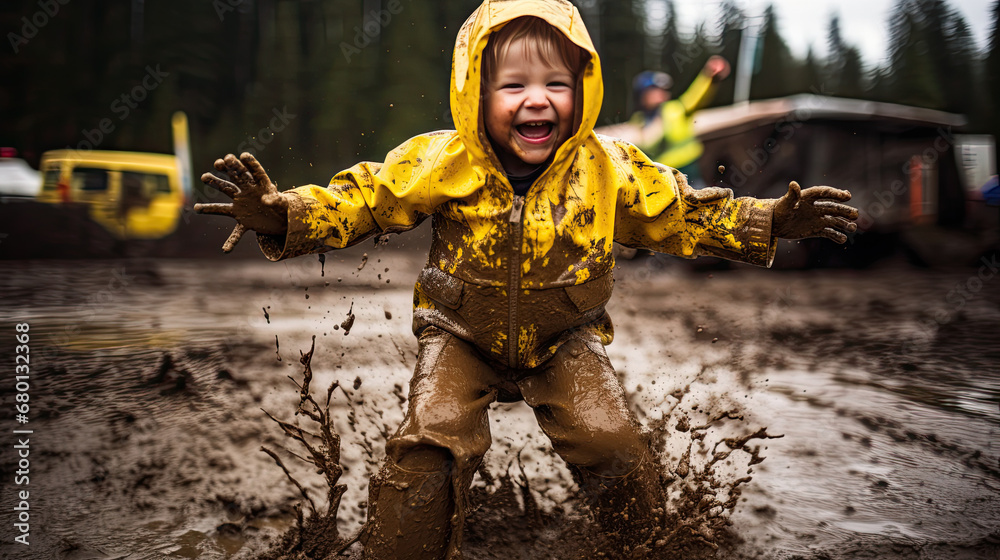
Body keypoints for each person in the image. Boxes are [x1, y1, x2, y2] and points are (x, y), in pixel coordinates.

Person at [195, 1, 858, 558]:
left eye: (557, 85)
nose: (536, 99)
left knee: (615, 445)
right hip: (458, 335)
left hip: (566, 339)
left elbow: (681, 214)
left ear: (584, 92)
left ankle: (650, 547)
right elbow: (366, 198)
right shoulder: (444, 160)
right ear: (475, 93)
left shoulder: (609, 169)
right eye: (512, 85)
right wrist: (285, 214)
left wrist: (764, 221)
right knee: (427, 445)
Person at [630, 56, 730, 187]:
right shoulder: (639, 122)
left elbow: (696, 96)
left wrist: (709, 77)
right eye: (655, 90)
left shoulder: (675, 108)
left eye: (663, 90)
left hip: (690, 169)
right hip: (664, 177)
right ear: (642, 96)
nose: (661, 93)